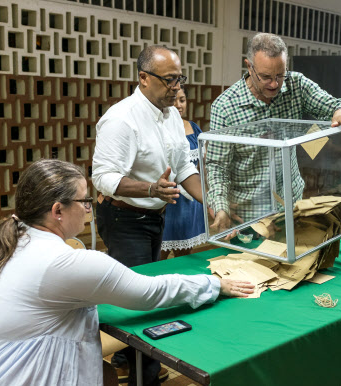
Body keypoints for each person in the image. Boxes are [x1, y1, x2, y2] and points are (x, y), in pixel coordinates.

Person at [0, 159, 254, 386]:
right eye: (84, 201)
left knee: (107, 374)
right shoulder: (63, 263)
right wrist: (215, 284)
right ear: (58, 211)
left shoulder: (12, 241)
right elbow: (151, 293)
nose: (90, 208)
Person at [92, 45, 204, 385]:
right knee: (143, 298)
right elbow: (103, 178)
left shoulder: (170, 114)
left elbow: (184, 166)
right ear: (143, 78)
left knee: (143, 286)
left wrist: (210, 202)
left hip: (154, 217)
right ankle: (148, 376)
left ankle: (128, 356)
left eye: (179, 79)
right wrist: (151, 190)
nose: (176, 88)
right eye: (169, 80)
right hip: (124, 218)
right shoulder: (120, 119)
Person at [207, 32, 341, 231]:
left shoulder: (296, 85)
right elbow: (217, 167)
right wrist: (221, 208)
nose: (274, 84)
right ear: (249, 66)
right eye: (266, 77)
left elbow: (340, 106)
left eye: (280, 75)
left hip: (291, 205)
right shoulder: (225, 106)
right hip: (248, 216)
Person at [161, 87, 207, 259]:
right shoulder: (160, 128)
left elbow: (202, 165)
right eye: (174, 100)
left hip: (190, 201)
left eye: (182, 100)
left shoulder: (194, 129)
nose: (178, 105)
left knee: (185, 256)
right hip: (168, 198)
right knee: (160, 254)